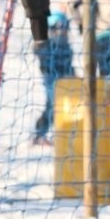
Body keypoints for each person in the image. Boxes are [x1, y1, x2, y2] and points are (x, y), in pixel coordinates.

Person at [33, 10, 75, 143]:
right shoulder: (48, 45)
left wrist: (73, 75)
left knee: (62, 107)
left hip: (66, 80)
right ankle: (40, 134)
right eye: (58, 29)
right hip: (51, 80)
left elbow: (69, 64)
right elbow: (40, 54)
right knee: (53, 106)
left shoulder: (66, 46)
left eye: (64, 29)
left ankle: (48, 134)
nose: (62, 33)